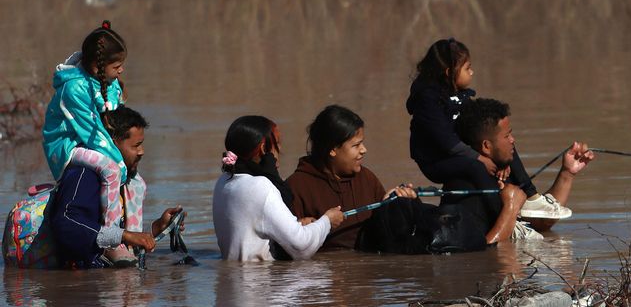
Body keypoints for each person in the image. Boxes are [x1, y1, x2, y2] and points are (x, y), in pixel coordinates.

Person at [407, 38, 571, 220]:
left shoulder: (458, 94)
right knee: (476, 167)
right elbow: (446, 141)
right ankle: (505, 215)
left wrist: (501, 161)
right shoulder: (428, 100)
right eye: (467, 68)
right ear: (449, 72)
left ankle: (531, 196)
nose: (472, 72)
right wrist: (480, 158)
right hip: (437, 161)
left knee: (505, 143)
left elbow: (475, 129)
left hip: (461, 152)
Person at [42, 20, 143, 264]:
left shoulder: (111, 84)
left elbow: (116, 124)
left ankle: (135, 240)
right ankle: (112, 240)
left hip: (94, 141)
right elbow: (94, 132)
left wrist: (126, 168)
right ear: (99, 66)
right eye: (117, 66)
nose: (121, 71)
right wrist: (120, 162)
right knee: (111, 168)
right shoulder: (74, 89)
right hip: (68, 145)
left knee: (137, 182)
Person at [443, 98, 595, 244]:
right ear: (486, 146)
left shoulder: (503, 172)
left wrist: (567, 173)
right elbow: (477, 252)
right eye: (507, 135)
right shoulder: (464, 187)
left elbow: (541, 224)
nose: (512, 140)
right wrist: (511, 207)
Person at [50, 106, 184, 268]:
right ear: (112, 144)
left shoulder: (124, 180)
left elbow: (120, 237)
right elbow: (66, 223)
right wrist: (125, 235)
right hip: (81, 282)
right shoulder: (84, 175)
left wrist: (157, 228)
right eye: (136, 145)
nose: (141, 152)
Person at [285, 105, 417, 251]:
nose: (364, 150)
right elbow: (287, 243)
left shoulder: (366, 177)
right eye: (356, 145)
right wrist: (301, 226)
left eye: (362, 143)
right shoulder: (297, 186)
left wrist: (391, 202)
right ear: (333, 149)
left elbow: (382, 230)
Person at [212, 115, 344, 261]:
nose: (279, 148)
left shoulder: (223, 182)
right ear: (263, 148)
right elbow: (301, 247)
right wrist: (327, 222)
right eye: (277, 143)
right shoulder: (261, 186)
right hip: (260, 281)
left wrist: (298, 225)